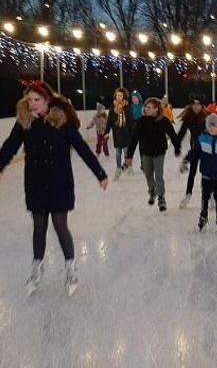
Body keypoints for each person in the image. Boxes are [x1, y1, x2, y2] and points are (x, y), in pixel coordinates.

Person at [0, 80, 108, 296]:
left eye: (37, 100)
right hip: (36, 182)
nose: (32, 104)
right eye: (29, 100)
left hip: (60, 182)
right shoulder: (25, 122)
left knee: (60, 225)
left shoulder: (62, 122)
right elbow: (10, 145)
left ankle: (71, 267)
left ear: (47, 100)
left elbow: (82, 148)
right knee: (38, 226)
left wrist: (100, 173)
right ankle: (36, 268)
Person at [125, 98, 180, 212]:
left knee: (158, 175)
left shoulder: (164, 121)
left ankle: (161, 197)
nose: (146, 109)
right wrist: (129, 156)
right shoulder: (140, 121)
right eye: (146, 107)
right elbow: (134, 139)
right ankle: (152, 191)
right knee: (148, 174)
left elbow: (172, 134)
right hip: (146, 152)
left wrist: (177, 147)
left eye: (149, 107)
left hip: (159, 152)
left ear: (156, 109)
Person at [177, 96, 209, 208]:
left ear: (202, 106)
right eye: (194, 104)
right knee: (193, 171)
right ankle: (188, 194)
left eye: (198, 104)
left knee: (208, 171)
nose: (196, 106)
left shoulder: (206, 117)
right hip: (195, 145)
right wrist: (177, 145)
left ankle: (211, 194)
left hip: (207, 146)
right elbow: (182, 132)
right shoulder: (188, 117)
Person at [104, 87, 134, 180]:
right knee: (117, 153)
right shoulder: (112, 107)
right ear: (115, 96)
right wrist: (107, 132)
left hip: (126, 134)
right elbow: (109, 121)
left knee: (126, 152)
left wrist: (133, 134)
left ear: (123, 96)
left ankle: (129, 166)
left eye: (120, 95)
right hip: (117, 134)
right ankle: (118, 169)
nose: (119, 97)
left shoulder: (127, 107)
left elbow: (131, 121)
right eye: (117, 95)